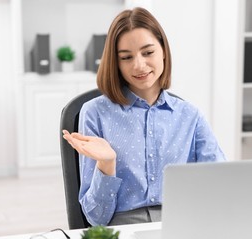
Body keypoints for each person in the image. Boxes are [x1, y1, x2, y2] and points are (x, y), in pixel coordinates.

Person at [62, 7, 226, 226]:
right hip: (123, 230)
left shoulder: (190, 115)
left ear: (163, 51)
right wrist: (106, 163)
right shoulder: (94, 113)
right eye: (126, 57)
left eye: (148, 52)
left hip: (181, 225)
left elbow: (222, 186)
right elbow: (96, 219)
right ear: (116, 63)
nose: (139, 65)